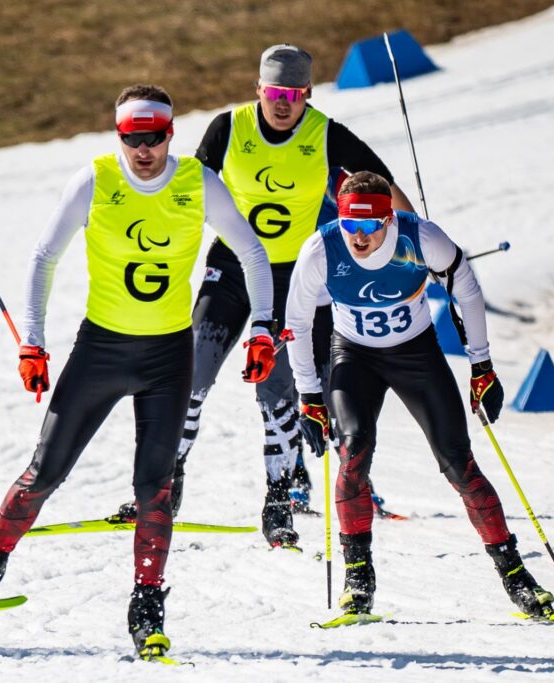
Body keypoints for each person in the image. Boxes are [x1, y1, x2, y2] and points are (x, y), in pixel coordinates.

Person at [0, 84, 275, 661]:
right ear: (118, 136)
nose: (143, 150)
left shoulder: (197, 183)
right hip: (102, 352)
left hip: (169, 357)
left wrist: (263, 327)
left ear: (171, 135)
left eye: (154, 138)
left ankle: (147, 606)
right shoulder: (94, 181)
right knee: (45, 471)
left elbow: (254, 253)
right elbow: (44, 256)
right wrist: (33, 343)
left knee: (154, 488)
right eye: (131, 139)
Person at [162, 44, 415, 549]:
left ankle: (278, 503)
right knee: (192, 374)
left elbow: (383, 185)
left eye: (294, 95)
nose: (283, 104)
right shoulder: (228, 128)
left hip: (291, 282)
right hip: (231, 271)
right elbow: (187, 193)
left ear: (307, 95)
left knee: (277, 396)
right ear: (259, 89)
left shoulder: (325, 134)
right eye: (275, 93)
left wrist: (413, 244)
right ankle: (166, 483)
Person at [286, 170, 554, 618]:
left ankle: (515, 576)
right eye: (351, 225)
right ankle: (358, 580)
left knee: (458, 463)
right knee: (354, 453)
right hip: (354, 355)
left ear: (389, 220)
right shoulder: (321, 248)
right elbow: (295, 322)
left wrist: (482, 365)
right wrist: (308, 396)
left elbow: (465, 289)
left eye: (370, 227)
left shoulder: (421, 237)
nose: (358, 237)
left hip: (416, 354)